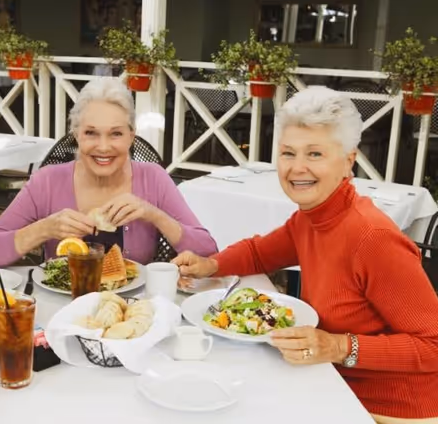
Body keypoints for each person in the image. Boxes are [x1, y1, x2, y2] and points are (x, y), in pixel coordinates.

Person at [172, 86, 438, 423]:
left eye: (315, 154)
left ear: (348, 161)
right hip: (327, 380)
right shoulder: (313, 216)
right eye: (288, 153)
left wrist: (337, 346)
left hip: (387, 408)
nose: (297, 168)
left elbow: (433, 345)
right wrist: (210, 264)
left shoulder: (373, 237)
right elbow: (259, 253)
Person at [0, 77, 217, 267]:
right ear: (76, 135)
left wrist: (154, 214)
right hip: (59, 312)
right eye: (91, 133)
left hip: (130, 316)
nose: (103, 147)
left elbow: (208, 252)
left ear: (131, 137)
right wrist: (44, 229)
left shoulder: (153, 178)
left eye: (116, 134)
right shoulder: (47, 181)